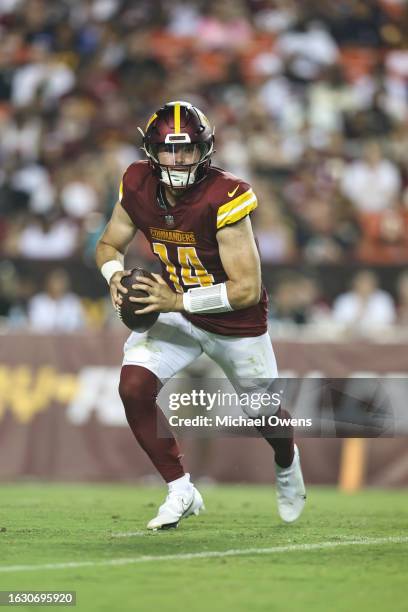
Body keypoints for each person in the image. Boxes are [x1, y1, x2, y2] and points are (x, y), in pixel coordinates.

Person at [95, 101, 306, 530]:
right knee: (133, 386)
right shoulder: (136, 182)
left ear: (205, 150)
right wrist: (114, 275)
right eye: (170, 150)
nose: (179, 159)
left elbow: (245, 289)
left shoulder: (225, 194)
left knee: (265, 415)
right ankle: (180, 488)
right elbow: (108, 245)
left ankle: (287, 463)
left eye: (188, 149)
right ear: (152, 151)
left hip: (234, 322)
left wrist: (176, 301)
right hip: (176, 309)